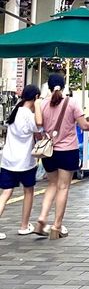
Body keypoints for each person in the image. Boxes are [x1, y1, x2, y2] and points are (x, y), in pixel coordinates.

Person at [35, 73, 89, 239]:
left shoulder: (42, 104)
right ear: (64, 86)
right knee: (63, 187)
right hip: (68, 151)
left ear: (48, 87)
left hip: (48, 152)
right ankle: (56, 226)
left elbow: (38, 126)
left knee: (52, 185)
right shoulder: (72, 103)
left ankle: (42, 217)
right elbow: (83, 125)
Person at [0, 85, 41, 239]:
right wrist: (37, 106)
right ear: (36, 97)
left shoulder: (15, 110)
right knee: (29, 191)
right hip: (25, 161)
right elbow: (39, 125)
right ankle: (24, 226)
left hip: (8, 160)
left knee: (6, 193)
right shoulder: (28, 115)